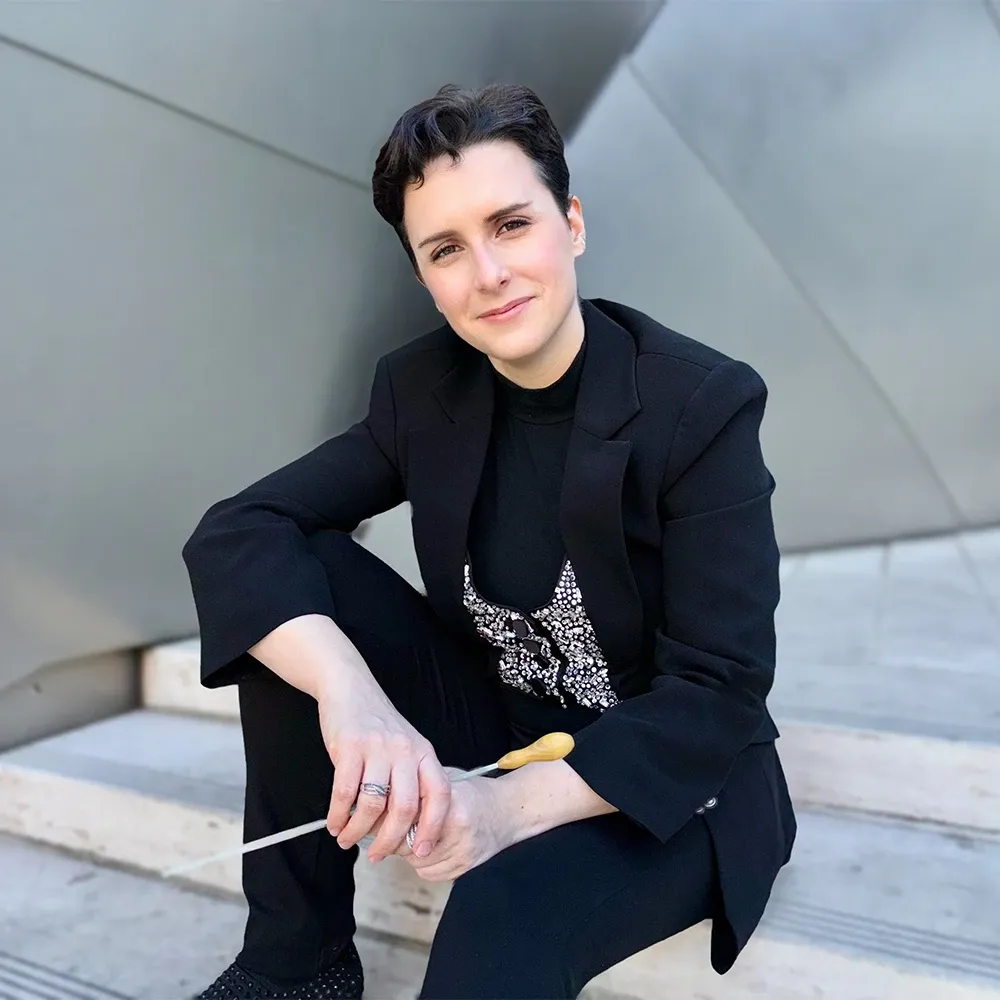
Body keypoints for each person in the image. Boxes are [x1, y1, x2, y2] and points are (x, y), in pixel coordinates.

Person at [182, 82, 797, 1000]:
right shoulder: (421, 391)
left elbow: (720, 691)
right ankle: (296, 966)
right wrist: (353, 701)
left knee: (504, 907)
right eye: (446, 249)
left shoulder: (698, 404)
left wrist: (502, 811)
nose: (488, 273)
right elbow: (239, 531)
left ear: (572, 224)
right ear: (424, 277)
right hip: (504, 723)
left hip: (674, 775)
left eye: (511, 225)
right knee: (291, 589)